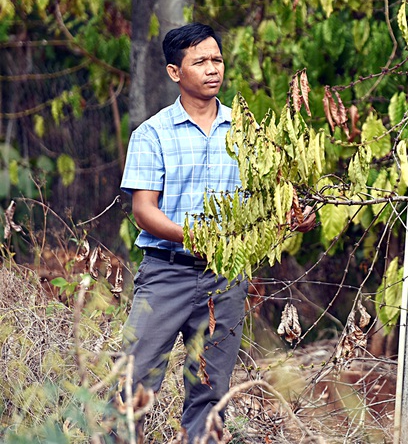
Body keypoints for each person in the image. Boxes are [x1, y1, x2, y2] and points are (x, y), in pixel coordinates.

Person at [119, 22, 313, 442]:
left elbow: (270, 201)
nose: (212, 69)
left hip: (225, 281)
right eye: (200, 61)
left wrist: (295, 214)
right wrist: (199, 238)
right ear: (175, 73)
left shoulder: (248, 134)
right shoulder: (152, 135)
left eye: (217, 60)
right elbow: (144, 212)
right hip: (165, 275)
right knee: (133, 388)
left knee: (210, 395)